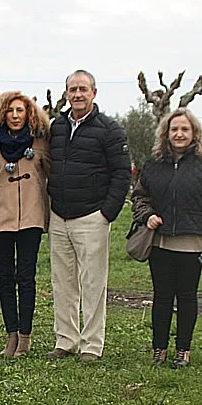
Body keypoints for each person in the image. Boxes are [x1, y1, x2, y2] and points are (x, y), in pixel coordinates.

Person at [130, 108, 202, 368]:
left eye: (185, 129)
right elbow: (139, 197)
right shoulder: (153, 165)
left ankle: (183, 350)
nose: (179, 134)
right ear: (166, 133)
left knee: (187, 297)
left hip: (193, 244)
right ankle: (159, 349)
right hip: (160, 242)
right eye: (174, 129)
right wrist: (147, 215)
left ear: (194, 133)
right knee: (162, 297)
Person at [46, 70, 130, 362]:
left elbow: (122, 173)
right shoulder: (56, 127)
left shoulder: (110, 129)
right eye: (73, 89)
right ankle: (66, 339)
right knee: (62, 282)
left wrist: (107, 213)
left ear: (94, 93)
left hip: (92, 216)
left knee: (93, 283)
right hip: (59, 215)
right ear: (66, 94)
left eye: (83, 89)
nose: (77, 94)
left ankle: (91, 345)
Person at [0, 91, 50, 357]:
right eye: (10, 111)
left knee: (26, 276)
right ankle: (11, 333)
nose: (14, 115)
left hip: (31, 218)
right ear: (2, 114)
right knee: (6, 278)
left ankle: (25, 335)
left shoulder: (40, 143)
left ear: (28, 113)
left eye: (20, 110)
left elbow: (51, 176)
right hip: (0, 219)